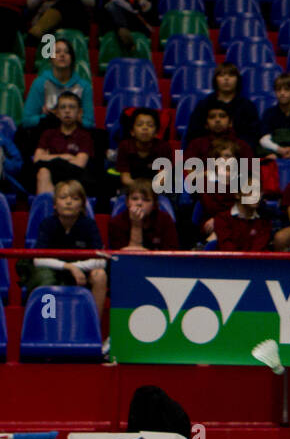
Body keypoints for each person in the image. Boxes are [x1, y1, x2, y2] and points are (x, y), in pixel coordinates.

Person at [26, 179, 107, 326]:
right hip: (53, 272)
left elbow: (101, 259)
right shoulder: (47, 224)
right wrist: (69, 267)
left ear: (82, 205)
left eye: (75, 198)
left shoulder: (89, 225)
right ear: (55, 204)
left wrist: (77, 267)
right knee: (44, 279)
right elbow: (38, 259)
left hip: (82, 275)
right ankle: (48, 325)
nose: (69, 202)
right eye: (63, 198)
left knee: (100, 275)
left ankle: (92, 327)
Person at [22, 37, 93, 131]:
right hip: (46, 134)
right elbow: (26, 121)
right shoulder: (40, 83)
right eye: (57, 52)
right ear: (51, 58)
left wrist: (72, 118)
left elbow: (90, 124)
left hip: (76, 136)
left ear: (72, 58)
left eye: (66, 52)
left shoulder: (84, 87)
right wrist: (46, 118)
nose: (62, 55)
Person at [32, 91, 94, 195]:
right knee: (43, 172)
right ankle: (47, 208)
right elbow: (37, 159)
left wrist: (48, 157)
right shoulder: (48, 134)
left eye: (72, 107)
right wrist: (67, 156)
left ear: (80, 112)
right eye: (63, 107)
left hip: (74, 177)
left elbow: (79, 164)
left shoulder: (85, 136)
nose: (67, 111)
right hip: (50, 176)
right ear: (57, 112)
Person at [108, 178, 179, 252]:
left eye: (146, 200)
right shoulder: (116, 222)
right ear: (127, 202)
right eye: (134, 199)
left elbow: (171, 255)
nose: (139, 203)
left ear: (154, 204)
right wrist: (136, 225)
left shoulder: (165, 220)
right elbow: (122, 258)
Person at [114, 107, 170, 192]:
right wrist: (141, 187)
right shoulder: (124, 146)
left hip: (157, 188)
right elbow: (125, 178)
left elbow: (162, 179)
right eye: (140, 124)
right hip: (131, 186)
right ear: (132, 131)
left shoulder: (164, 147)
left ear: (156, 133)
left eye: (150, 125)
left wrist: (147, 188)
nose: (145, 128)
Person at [213, 176, 272, 251]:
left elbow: (258, 253)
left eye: (259, 191)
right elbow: (228, 251)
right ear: (237, 194)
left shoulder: (264, 221)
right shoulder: (223, 219)